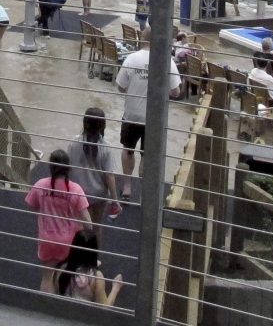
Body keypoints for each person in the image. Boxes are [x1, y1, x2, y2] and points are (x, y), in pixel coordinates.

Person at [115, 35, 181, 201]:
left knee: (128, 149)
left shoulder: (131, 58)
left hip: (132, 114)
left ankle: (127, 186)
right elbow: (176, 92)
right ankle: (145, 190)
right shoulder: (166, 61)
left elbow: (121, 87)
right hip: (154, 118)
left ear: (141, 39)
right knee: (147, 155)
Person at [24, 149, 90, 292]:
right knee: (69, 274)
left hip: (47, 239)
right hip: (69, 241)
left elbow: (30, 205)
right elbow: (89, 224)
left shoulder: (40, 185)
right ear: (68, 167)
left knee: (47, 277)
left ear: (51, 167)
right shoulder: (76, 189)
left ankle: (47, 306)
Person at [68, 107, 120, 225]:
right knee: (96, 228)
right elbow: (109, 176)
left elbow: (68, 168)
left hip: (78, 192)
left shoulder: (73, 143)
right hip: (98, 195)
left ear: (84, 123)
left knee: (79, 227)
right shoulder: (106, 148)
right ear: (103, 125)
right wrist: (115, 200)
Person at [55, 229, 124, 305]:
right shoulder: (96, 277)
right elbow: (104, 309)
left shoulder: (61, 268)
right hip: (84, 315)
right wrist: (115, 288)